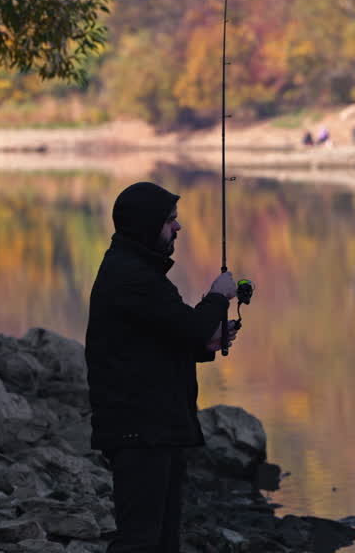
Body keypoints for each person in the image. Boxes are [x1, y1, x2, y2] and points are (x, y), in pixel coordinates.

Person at [85, 181, 241, 553]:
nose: (178, 227)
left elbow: (167, 337)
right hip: (140, 431)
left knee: (164, 539)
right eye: (170, 220)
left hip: (156, 428)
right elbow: (189, 326)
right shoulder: (132, 277)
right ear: (146, 225)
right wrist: (219, 296)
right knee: (140, 540)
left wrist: (206, 345)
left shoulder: (137, 272)